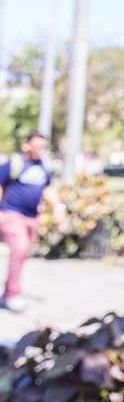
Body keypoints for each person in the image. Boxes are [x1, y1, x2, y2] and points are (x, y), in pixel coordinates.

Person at [0, 131, 65, 312]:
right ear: (26, 145)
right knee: (19, 249)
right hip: (12, 214)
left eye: (42, 147)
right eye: (36, 146)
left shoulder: (42, 166)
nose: (39, 150)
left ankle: (8, 292)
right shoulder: (14, 164)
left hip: (31, 216)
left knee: (22, 254)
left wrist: (58, 207)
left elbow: (47, 189)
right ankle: (13, 294)